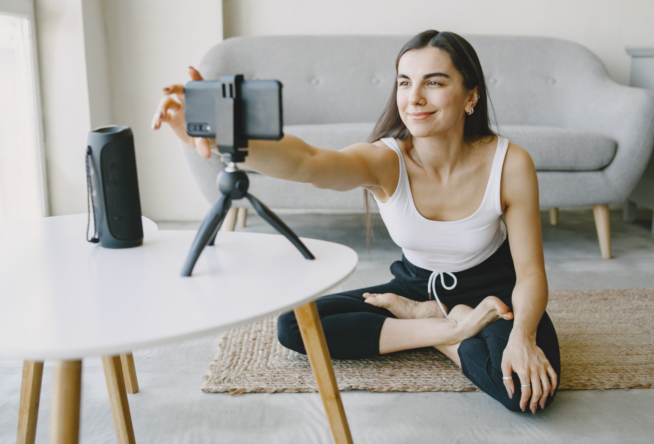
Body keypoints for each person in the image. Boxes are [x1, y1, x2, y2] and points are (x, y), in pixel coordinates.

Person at [152, 30, 560, 414]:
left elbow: (529, 272)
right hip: (414, 285)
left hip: (495, 294)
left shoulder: (510, 163)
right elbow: (308, 162)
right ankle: (439, 326)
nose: (414, 97)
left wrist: (523, 336)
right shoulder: (386, 159)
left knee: (525, 391)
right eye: (404, 82)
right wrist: (229, 136)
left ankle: (430, 320)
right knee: (295, 326)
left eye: (433, 82)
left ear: (471, 96)